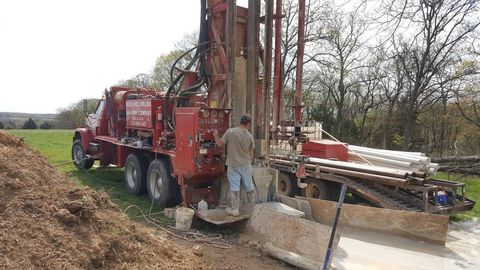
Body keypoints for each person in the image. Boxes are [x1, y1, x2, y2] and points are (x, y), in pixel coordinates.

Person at [213, 114, 255, 216]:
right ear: (248, 124)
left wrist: (215, 135)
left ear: (240, 121)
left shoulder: (230, 132)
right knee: (249, 186)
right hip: (245, 165)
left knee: (234, 186)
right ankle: (252, 208)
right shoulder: (250, 136)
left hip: (233, 164)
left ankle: (235, 209)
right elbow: (251, 154)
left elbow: (219, 144)